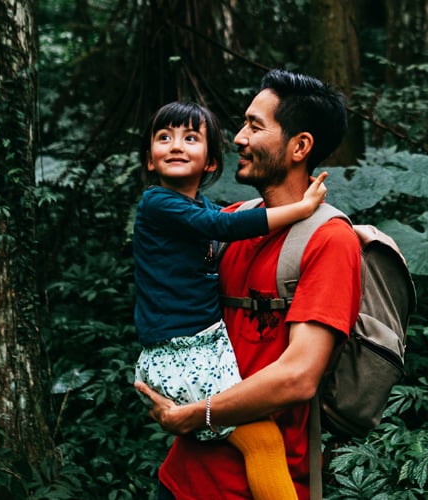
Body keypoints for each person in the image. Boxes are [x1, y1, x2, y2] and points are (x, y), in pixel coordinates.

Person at [137, 70, 360, 499]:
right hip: (182, 479)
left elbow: (298, 377)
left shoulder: (330, 241)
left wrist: (195, 415)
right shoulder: (230, 222)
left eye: (255, 127)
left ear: (300, 146)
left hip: (253, 486)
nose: (238, 138)